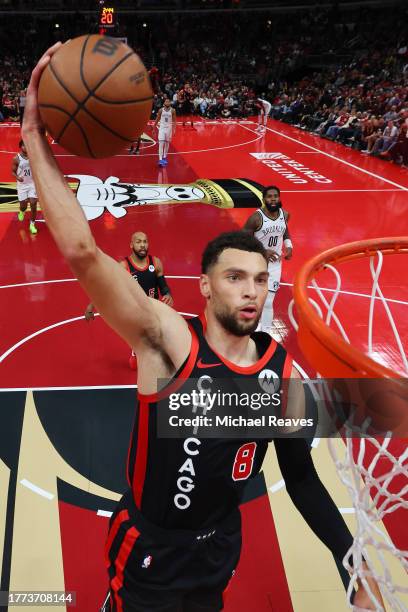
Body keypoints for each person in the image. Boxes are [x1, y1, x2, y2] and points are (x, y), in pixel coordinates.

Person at [22, 44, 383, 612]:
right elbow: (82, 252)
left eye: (260, 279)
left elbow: (303, 478)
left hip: (218, 551)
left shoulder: (278, 373)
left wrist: (351, 565)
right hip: (150, 553)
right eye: (235, 277)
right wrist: (34, 137)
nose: (251, 289)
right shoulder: (166, 340)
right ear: (207, 286)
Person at [85, 231, 174, 370]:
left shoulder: (156, 263)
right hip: (135, 313)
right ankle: (138, 349)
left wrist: (168, 294)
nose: (143, 245)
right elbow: (107, 287)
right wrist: (92, 306)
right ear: (131, 245)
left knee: (162, 355)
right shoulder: (124, 266)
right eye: (139, 242)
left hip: (154, 310)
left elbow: (163, 286)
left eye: (145, 241)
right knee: (134, 365)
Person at [243, 185, 292, 334]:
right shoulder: (256, 218)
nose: (273, 199)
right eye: (269, 197)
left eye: (275, 196)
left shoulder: (285, 214)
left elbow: (284, 231)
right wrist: (262, 251)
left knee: (269, 302)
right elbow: (243, 240)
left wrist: (289, 246)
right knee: (255, 301)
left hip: (275, 265)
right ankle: (249, 329)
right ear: (264, 199)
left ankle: (265, 334)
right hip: (256, 264)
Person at [11, 139, 38, 234]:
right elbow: (12, 172)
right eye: (24, 145)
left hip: (32, 184)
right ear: (21, 146)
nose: (26, 147)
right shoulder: (16, 159)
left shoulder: (33, 157)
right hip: (22, 185)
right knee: (23, 206)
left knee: (33, 204)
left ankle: (32, 224)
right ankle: (22, 211)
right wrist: (18, 177)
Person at [153, 97, 176, 166]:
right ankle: (160, 159)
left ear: (170, 103)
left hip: (169, 128)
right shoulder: (160, 110)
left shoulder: (173, 110)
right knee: (161, 143)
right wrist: (154, 128)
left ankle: (164, 157)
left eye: (169, 101)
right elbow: (157, 119)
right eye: (166, 101)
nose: (167, 102)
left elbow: (174, 121)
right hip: (162, 128)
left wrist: (174, 129)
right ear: (164, 103)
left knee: (167, 143)